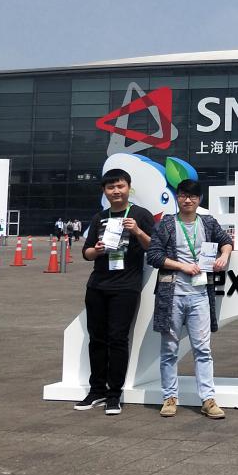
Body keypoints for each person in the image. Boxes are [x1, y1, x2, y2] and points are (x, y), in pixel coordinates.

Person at [147, 179, 233, 419]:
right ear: (177, 197)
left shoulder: (207, 222)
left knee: (203, 349)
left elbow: (226, 241)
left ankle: (208, 399)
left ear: (199, 199)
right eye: (183, 195)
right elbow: (153, 256)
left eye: (193, 196)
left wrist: (224, 255)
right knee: (169, 349)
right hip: (171, 294)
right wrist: (182, 266)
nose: (188, 200)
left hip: (200, 295)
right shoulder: (166, 224)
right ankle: (169, 397)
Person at [74, 169, 156, 416]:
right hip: (97, 285)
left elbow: (155, 247)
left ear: (129, 188)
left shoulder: (141, 215)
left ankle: (114, 394)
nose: (116, 191)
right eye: (110, 187)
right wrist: (97, 250)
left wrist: (137, 231)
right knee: (97, 339)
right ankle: (96, 389)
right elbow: (86, 253)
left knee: (118, 339)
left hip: (126, 287)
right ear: (104, 191)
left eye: (120, 186)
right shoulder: (99, 217)